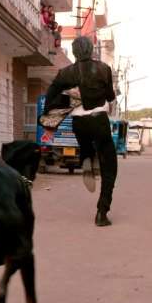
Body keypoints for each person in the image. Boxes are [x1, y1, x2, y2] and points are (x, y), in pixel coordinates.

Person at [39, 36, 117, 227]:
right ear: (91, 50)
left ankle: (86, 160)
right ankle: (102, 212)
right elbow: (110, 96)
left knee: (85, 143)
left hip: (78, 122)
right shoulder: (103, 69)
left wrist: (62, 107)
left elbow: (50, 97)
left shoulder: (65, 73)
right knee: (110, 165)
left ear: (74, 52)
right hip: (99, 120)